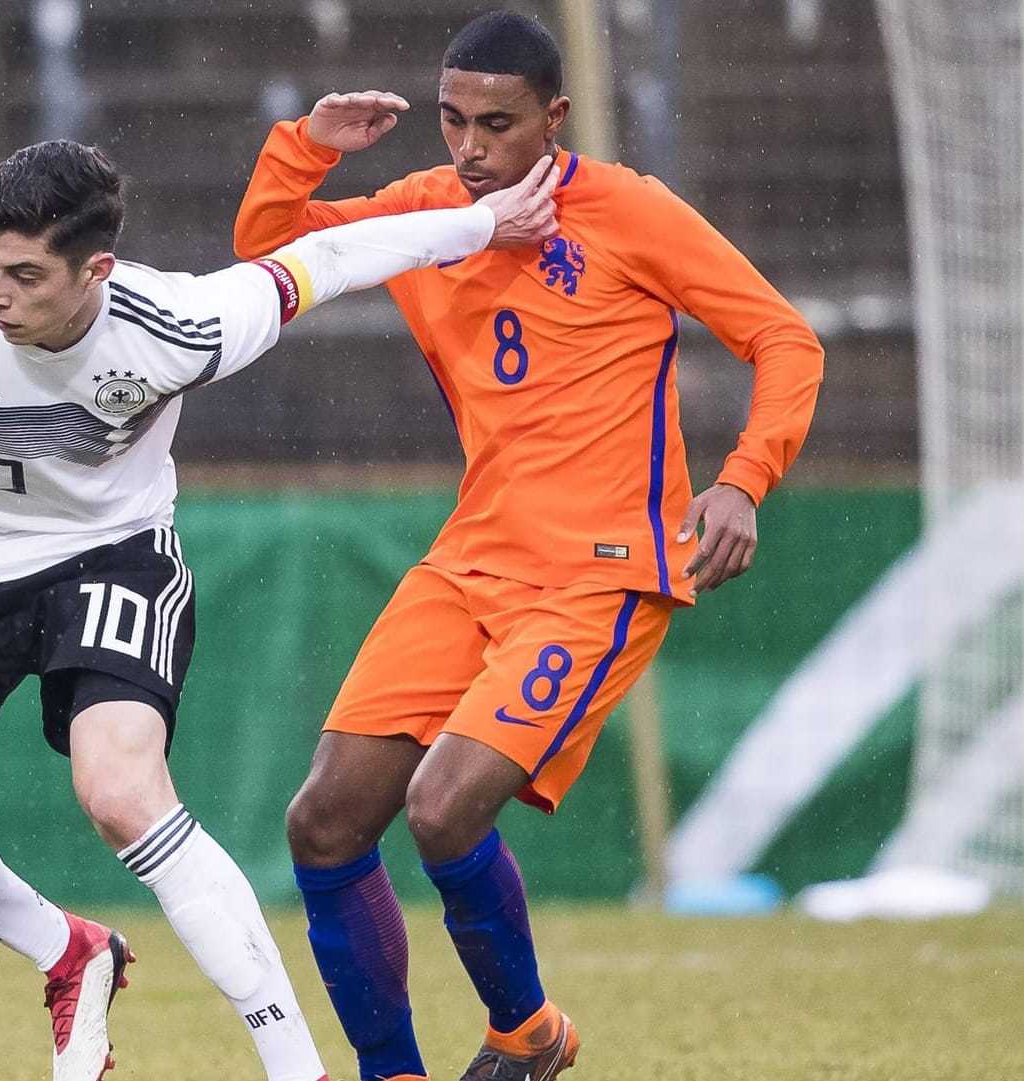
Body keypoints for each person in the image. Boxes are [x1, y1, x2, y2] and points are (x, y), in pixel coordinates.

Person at [0, 138, 560, 1081]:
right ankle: (71, 952)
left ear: (95, 270)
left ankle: (296, 1068)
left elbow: (330, 259)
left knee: (123, 794)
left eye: (22, 274)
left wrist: (481, 224)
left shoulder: (181, 321)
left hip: (111, 556)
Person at [233, 11, 824, 1081]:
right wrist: (309, 146)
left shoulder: (626, 210)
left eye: (496, 125)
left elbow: (784, 337)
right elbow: (272, 256)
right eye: (454, 120)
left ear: (554, 118)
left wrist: (742, 481)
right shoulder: (423, 210)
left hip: (596, 575)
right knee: (322, 823)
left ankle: (526, 1036)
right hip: (466, 564)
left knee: (444, 805)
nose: (468, 148)